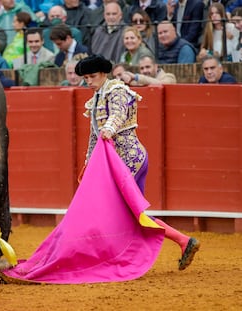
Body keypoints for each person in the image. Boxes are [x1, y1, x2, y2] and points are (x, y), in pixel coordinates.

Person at [74, 54, 200, 271]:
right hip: (116, 164)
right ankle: (183, 241)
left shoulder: (117, 90)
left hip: (130, 160)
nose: (89, 81)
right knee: (133, 214)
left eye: (92, 76)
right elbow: (94, 136)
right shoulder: (96, 98)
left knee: (120, 211)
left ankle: (115, 257)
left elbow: (118, 114)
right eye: (85, 78)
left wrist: (110, 129)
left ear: (104, 74)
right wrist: (89, 163)